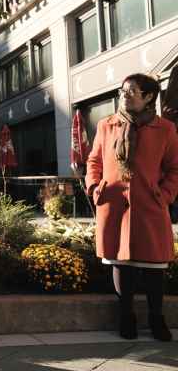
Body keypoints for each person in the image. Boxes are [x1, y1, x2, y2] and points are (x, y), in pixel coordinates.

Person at [86, 73, 178, 342]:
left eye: (132, 91)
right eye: (123, 91)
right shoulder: (107, 125)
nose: (124, 95)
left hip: (151, 205)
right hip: (113, 204)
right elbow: (94, 162)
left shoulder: (165, 129)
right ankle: (126, 316)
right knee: (120, 262)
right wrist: (95, 188)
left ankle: (156, 318)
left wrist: (165, 194)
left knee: (154, 266)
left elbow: (174, 168)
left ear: (148, 97)